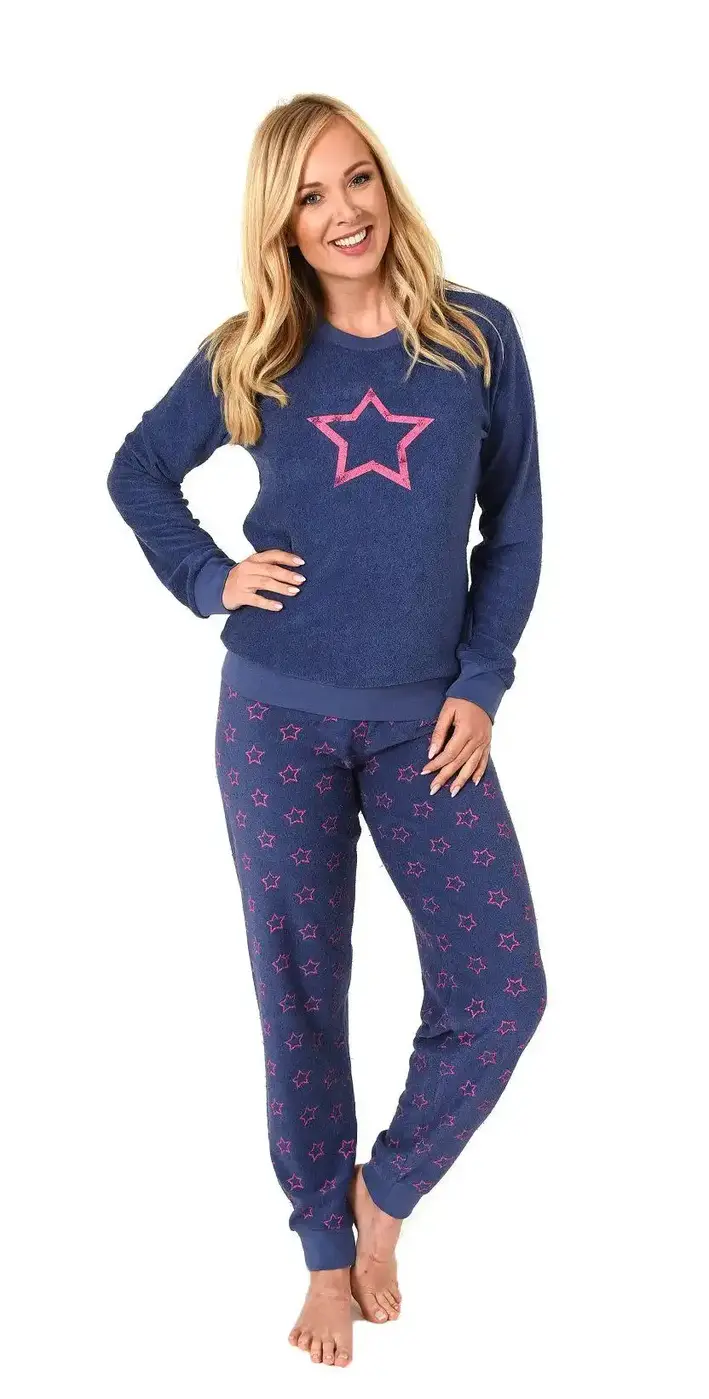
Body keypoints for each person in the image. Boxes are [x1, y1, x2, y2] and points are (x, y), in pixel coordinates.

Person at [107, 91, 547, 1369]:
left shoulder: (476, 337)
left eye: (356, 178)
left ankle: (380, 1200)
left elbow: (515, 522)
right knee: (301, 986)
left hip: (429, 728)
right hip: (276, 720)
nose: (343, 210)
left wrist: (483, 680)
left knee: (503, 988)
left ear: (384, 183)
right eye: (309, 195)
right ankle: (319, 1250)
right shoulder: (253, 353)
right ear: (281, 223)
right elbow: (138, 470)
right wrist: (212, 579)